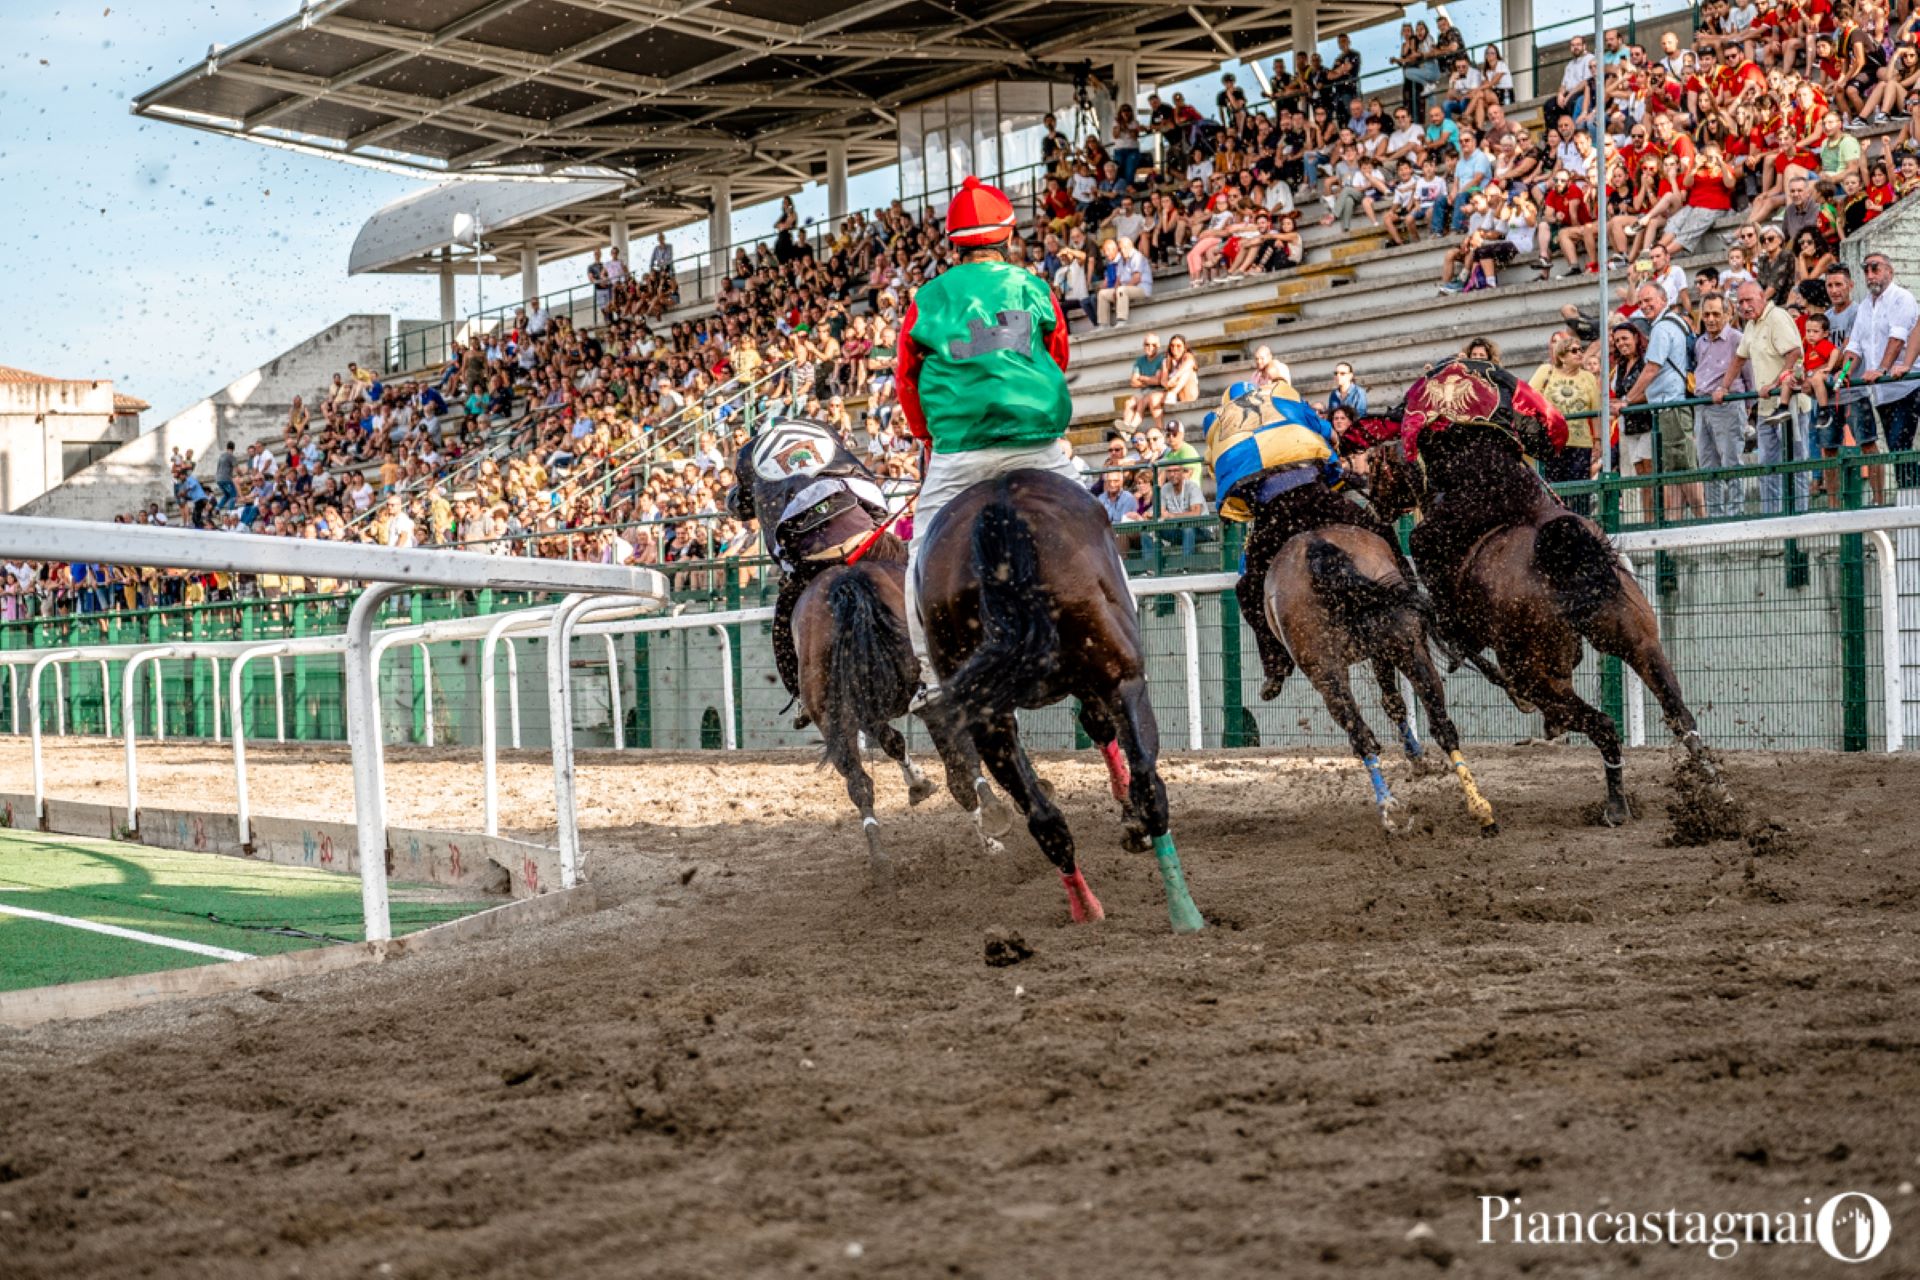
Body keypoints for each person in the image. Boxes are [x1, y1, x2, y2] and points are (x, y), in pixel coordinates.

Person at [895, 176, 1087, 709]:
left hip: (959, 450)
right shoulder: (1032, 285)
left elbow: (908, 378)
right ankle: (1123, 634)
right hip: (1036, 439)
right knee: (1093, 525)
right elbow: (1057, 354)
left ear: (954, 245)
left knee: (919, 558)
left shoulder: (926, 298)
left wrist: (924, 436)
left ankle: (932, 680)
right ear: (1007, 237)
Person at [1715, 280, 1807, 514]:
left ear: (1762, 297)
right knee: (1768, 467)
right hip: (1766, 407)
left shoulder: (1776, 317)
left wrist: (1776, 383)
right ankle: (1772, 520)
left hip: (1789, 404)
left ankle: (1800, 519)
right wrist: (1723, 387)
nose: (1745, 306)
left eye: (1749, 300)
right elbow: (1739, 358)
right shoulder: (1752, 325)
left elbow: (1795, 352)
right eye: (1741, 302)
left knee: (1795, 464)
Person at [1691, 294, 1753, 518]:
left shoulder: (1737, 338)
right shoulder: (1700, 342)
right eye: (1706, 314)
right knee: (1708, 463)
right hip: (1702, 405)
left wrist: (1747, 406)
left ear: (1728, 314)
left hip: (1728, 404)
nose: (1710, 319)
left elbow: (1749, 375)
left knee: (1731, 460)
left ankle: (1735, 512)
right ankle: (1715, 515)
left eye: (1716, 314)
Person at [1529, 333, 1601, 510]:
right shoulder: (1546, 371)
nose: (1580, 354)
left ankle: (1580, 522)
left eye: (1581, 350)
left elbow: (1596, 412)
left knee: (1580, 490)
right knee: (1554, 489)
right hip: (1552, 442)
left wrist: (1598, 440)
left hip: (1580, 443)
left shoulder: (1588, 377)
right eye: (1574, 351)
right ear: (1562, 356)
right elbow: (1529, 398)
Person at [1097, 236, 1153, 327]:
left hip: (1141, 288)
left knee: (1122, 290)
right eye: (1120, 249)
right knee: (1102, 294)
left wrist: (1121, 289)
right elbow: (1118, 279)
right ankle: (1103, 324)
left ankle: (1121, 320)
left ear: (1131, 247)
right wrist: (1115, 290)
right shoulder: (1121, 260)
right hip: (1126, 289)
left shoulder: (1137, 256)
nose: (1122, 251)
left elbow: (1136, 278)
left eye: (1125, 248)